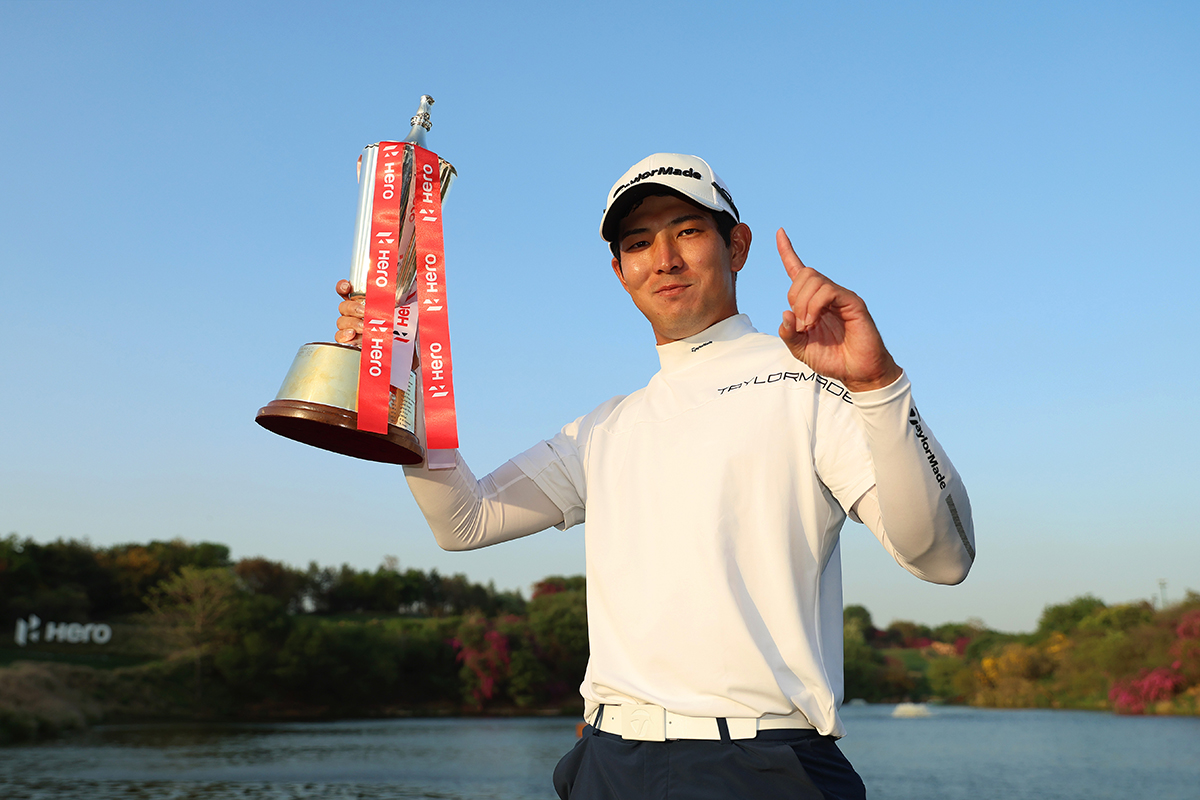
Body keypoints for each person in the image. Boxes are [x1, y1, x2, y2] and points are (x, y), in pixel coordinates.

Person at [335, 153, 976, 799]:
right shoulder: (605, 427)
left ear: (738, 245)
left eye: (688, 230)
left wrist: (876, 384)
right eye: (638, 243)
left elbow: (943, 559)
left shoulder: (813, 382)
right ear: (620, 272)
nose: (663, 258)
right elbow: (462, 521)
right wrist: (400, 378)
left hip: (760, 767)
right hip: (608, 762)